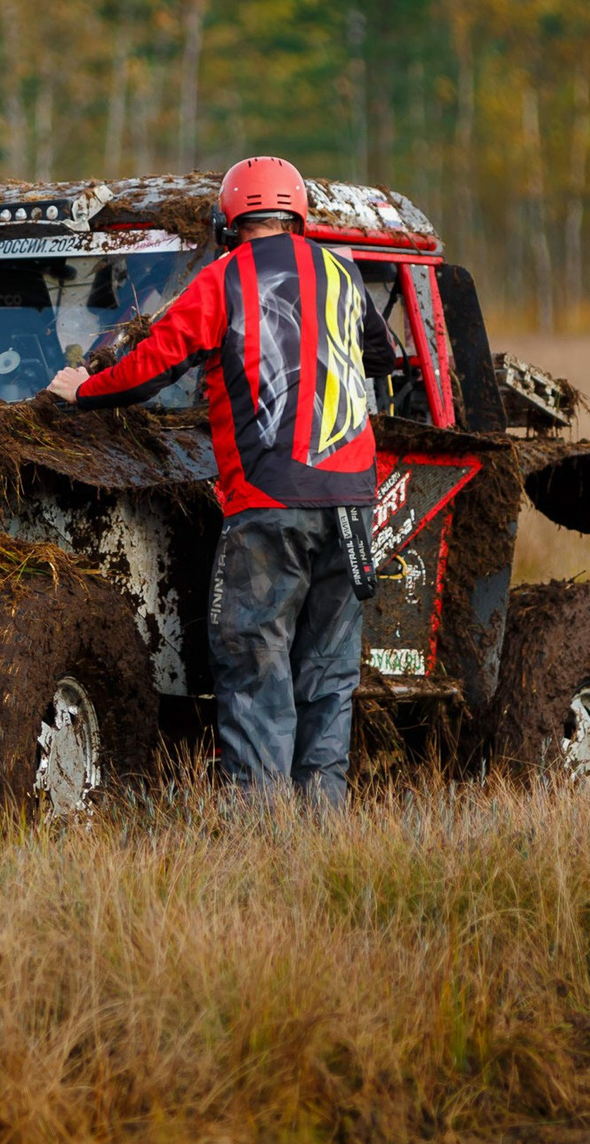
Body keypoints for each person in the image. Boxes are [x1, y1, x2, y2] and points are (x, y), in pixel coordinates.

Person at [44, 157, 380, 806]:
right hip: (352, 509)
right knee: (329, 678)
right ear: (298, 215)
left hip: (269, 502)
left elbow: (150, 370)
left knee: (256, 669)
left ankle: (259, 841)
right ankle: (323, 840)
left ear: (230, 221)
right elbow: (379, 356)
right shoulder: (343, 275)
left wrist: (84, 390)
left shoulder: (224, 278)